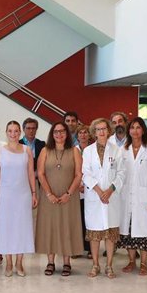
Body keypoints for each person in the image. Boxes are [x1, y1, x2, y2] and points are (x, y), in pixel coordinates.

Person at [36, 122, 83, 277]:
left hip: (69, 197)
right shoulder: (45, 150)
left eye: (62, 131)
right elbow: (41, 173)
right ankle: (50, 261)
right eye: (56, 132)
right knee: (50, 227)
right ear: (52, 134)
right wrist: (49, 193)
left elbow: (78, 175)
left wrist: (68, 193)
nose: (59, 134)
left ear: (67, 134)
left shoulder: (74, 151)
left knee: (67, 226)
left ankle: (67, 262)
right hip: (49, 197)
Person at [0, 121, 37, 277]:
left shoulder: (27, 150)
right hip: (5, 195)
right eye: (10, 131)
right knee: (6, 228)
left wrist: (33, 193)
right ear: (6, 132)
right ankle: (9, 262)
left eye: (16, 131)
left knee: (22, 227)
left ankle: (19, 262)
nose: (13, 134)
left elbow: (31, 173)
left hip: (23, 194)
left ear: (20, 133)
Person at [118, 117, 147, 276]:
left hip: (143, 197)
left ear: (143, 130)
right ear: (129, 131)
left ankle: (143, 263)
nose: (135, 131)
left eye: (138, 127)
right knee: (128, 231)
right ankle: (131, 261)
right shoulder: (123, 150)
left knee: (144, 232)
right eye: (132, 128)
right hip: (125, 197)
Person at [82, 118, 124, 278]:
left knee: (110, 233)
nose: (101, 132)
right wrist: (100, 191)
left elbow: (121, 173)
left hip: (111, 197)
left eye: (104, 129)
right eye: (98, 129)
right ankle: (95, 265)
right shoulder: (88, 151)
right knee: (94, 233)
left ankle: (109, 266)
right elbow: (86, 173)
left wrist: (110, 190)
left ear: (108, 131)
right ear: (94, 132)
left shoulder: (116, 150)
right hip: (95, 196)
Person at [75, 124, 93, 258]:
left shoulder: (94, 150)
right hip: (77, 189)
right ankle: (78, 248)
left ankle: (91, 248)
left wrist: (87, 184)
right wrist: (78, 185)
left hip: (92, 189)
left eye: (85, 132)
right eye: (80, 133)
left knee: (90, 220)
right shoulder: (73, 150)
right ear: (77, 135)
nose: (83, 135)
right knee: (78, 220)